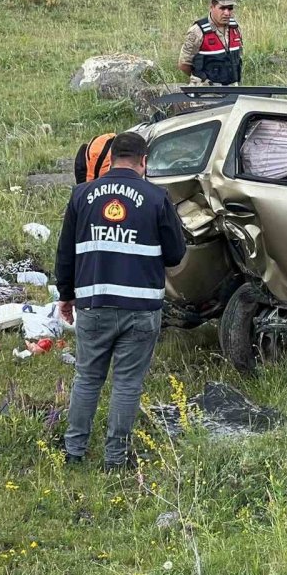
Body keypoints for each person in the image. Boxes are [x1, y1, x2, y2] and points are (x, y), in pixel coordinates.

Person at [55, 132, 186, 471]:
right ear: (144, 162)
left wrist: (66, 296)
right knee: (127, 383)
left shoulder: (81, 195)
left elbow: (65, 254)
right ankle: (115, 459)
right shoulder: (157, 198)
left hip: (94, 304)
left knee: (87, 378)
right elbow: (174, 255)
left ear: (110, 159)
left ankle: (74, 453)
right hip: (141, 310)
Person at [177, 0, 243, 86]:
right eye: (222, 8)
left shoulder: (235, 28)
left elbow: (239, 57)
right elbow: (184, 64)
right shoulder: (197, 31)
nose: (227, 13)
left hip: (231, 89)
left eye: (230, 8)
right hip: (204, 92)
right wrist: (201, 80)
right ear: (212, 7)